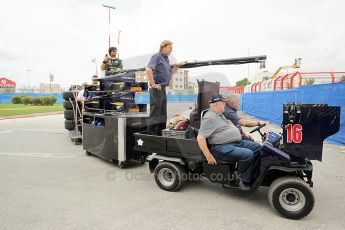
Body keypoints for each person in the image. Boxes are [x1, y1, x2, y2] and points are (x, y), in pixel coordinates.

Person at [197, 95, 262, 190]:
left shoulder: (219, 114)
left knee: (258, 147)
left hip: (235, 142)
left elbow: (231, 127)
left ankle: (250, 175)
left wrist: (243, 132)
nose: (225, 104)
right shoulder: (209, 118)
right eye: (223, 103)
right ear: (216, 104)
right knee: (247, 154)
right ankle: (241, 179)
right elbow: (200, 137)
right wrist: (208, 155)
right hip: (221, 147)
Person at [146, 40, 186, 135]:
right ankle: (150, 135)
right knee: (155, 114)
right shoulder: (157, 56)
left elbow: (170, 73)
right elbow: (148, 69)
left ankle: (160, 134)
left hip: (163, 89)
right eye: (170, 48)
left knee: (163, 115)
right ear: (163, 47)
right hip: (157, 88)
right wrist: (153, 84)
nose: (171, 50)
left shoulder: (166, 60)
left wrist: (177, 66)